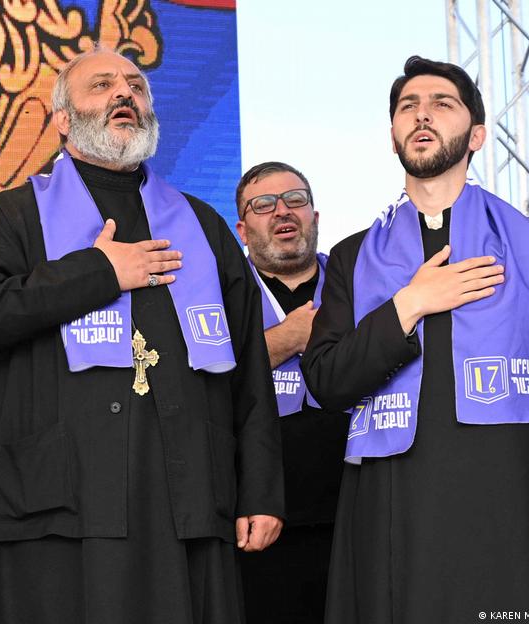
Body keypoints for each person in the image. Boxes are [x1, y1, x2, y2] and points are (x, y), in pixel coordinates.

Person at [0, 45, 284, 624]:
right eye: (102, 85)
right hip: (55, 507)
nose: (125, 93)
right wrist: (99, 272)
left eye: (136, 85)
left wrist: (260, 490)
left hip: (184, 502)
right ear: (61, 119)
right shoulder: (15, 214)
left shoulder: (201, 226)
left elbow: (250, 369)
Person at [301, 56, 529, 623]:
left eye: (442, 104)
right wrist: (409, 304)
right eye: (407, 107)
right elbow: (326, 381)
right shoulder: (352, 256)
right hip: (393, 510)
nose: (422, 115)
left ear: (477, 134)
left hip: (510, 502)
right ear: (392, 137)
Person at [234, 161, 345, 624]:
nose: (283, 211)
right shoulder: (220, 291)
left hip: (354, 510)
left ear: (315, 217)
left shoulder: (357, 281)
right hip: (261, 517)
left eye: (295, 200)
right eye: (263, 205)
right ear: (242, 229)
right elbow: (193, 380)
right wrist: (288, 337)